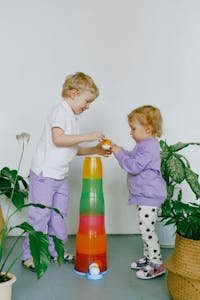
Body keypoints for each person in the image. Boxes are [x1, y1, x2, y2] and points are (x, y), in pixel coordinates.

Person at [22, 72, 110, 271]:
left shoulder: (72, 117)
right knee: (40, 216)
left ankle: (55, 251)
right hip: (45, 174)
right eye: (86, 101)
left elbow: (71, 148)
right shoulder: (60, 111)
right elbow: (58, 139)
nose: (87, 106)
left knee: (59, 216)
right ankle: (30, 256)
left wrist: (94, 150)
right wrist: (89, 135)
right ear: (73, 93)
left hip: (60, 175)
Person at [112, 105, 167, 279]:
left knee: (147, 229)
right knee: (145, 228)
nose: (130, 132)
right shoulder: (143, 145)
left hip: (150, 196)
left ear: (148, 129)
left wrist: (119, 154)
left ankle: (157, 264)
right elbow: (133, 158)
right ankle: (148, 258)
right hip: (144, 195)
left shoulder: (149, 147)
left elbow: (134, 166)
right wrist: (119, 149)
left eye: (133, 128)